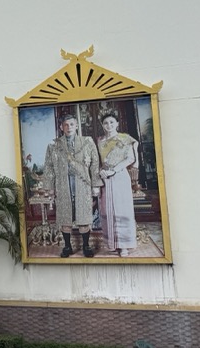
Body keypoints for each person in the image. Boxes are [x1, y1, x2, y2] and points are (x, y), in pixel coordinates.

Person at [41, 114, 101, 257]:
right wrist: (50, 187)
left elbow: (95, 163)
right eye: (66, 125)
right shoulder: (53, 145)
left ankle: (86, 246)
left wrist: (95, 184)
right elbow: (48, 166)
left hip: (82, 183)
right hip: (62, 184)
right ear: (61, 127)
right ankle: (67, 247)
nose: (69, 128)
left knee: (83, 215)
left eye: (72, 124)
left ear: (77, 126)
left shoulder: (87, 142)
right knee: (65, 216)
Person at [96, 110, 139, 257]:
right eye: (106, 123)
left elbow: (130, 158)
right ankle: (112, 243)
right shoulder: (100, 141)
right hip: (105, 178)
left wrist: (113, 170)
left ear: (117, 124)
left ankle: (124, 246)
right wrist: (102, 171)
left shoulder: (124, 138)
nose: (109, 125)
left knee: (122, 210)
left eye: (111, 122)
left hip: (120, 176)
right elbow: (99, 161)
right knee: (107, 210)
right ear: (102, 125)